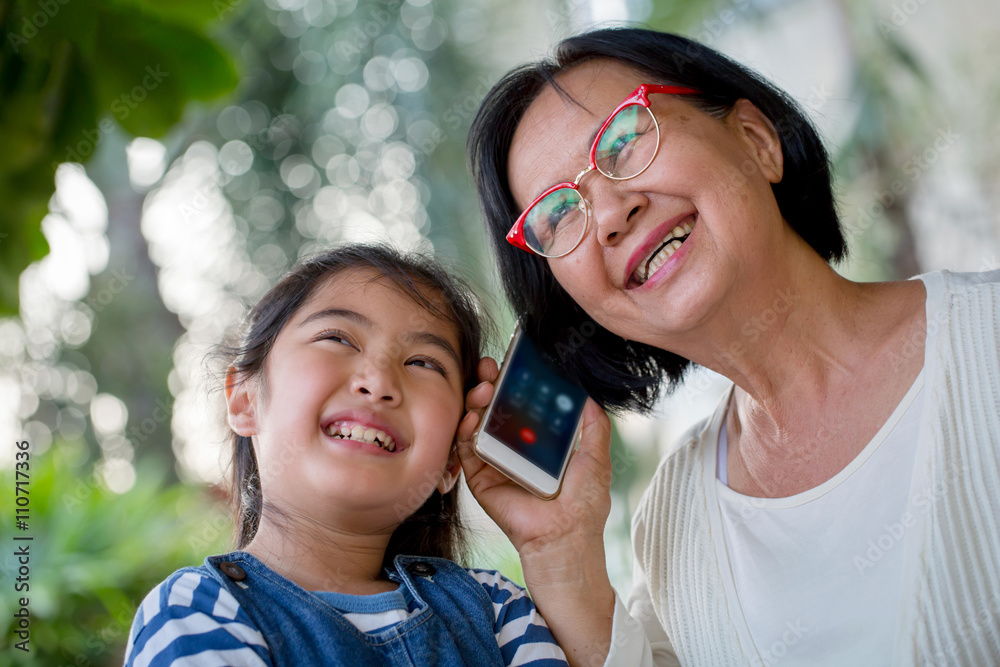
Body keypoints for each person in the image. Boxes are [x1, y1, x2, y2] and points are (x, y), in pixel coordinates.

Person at [461, 26, 1000, 666]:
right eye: (558, 216)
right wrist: (559, 551)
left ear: (755, 140)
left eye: (625, 139)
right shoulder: (669, 526)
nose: (607, 214)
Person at [123, 245, 569, 667]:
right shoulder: (195, 611)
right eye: (337, 338)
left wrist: (559, 542)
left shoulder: (497, 611)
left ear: (452, 460)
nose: (378, 382)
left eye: (424, 363)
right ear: (244, 400)